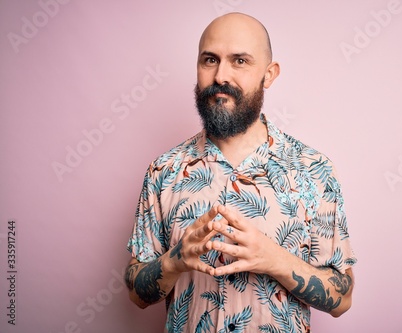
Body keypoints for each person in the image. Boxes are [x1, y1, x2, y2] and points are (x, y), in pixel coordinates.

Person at [125, 12, 357, 333]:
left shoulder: (314, 170)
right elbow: (136, 294)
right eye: (210, 60)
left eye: (240, 61)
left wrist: (273, 259)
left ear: (269, 74)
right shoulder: (164, 170)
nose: (221, 76)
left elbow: (342, 299)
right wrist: (174, 260)